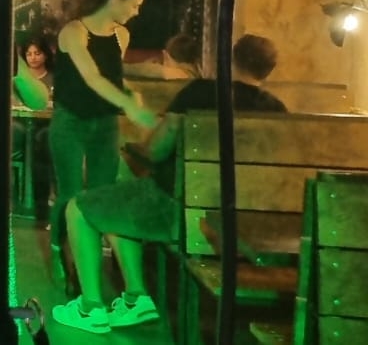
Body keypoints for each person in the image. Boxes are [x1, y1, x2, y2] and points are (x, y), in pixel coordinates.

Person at [52, 35, 287, 333]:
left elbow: (157, 150)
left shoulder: (201, 92)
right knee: (118, 204)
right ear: (269, 70)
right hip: (245, 223)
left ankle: (92, 307)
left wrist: (140, 140)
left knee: (79, 208)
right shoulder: (277, 110)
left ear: (231, 60)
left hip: (183, 211)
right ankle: (135, 298)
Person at [49, 0, 158, 253]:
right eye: (134, 4)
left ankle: (89, 255)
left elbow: (111, 77)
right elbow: (92, 77)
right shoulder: (74, 31)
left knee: (103, 193)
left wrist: (131, 93)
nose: (137, 12)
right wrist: (129, 106)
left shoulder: (122, 35)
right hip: (70, 120)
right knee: (70, 192)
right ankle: (60, 251)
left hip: (105, 122)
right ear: (114, 0)